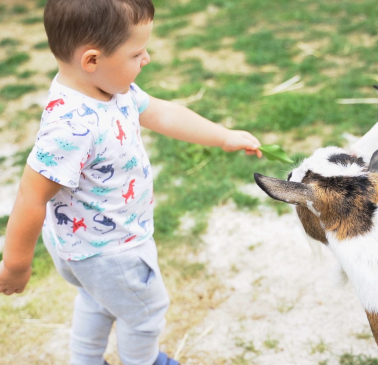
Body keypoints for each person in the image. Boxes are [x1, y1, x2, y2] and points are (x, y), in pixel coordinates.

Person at [0, 0, 262, 364]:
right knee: (145, 312)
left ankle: (85, 360)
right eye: (137, 52)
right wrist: (16, 264)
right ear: (91, 60)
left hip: (84, 247)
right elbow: (31, 196)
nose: (147, 58)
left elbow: (164, 113)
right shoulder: (73, 127)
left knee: (98, 300)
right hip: (111, 250)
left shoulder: (108, 90)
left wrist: (223, 136)